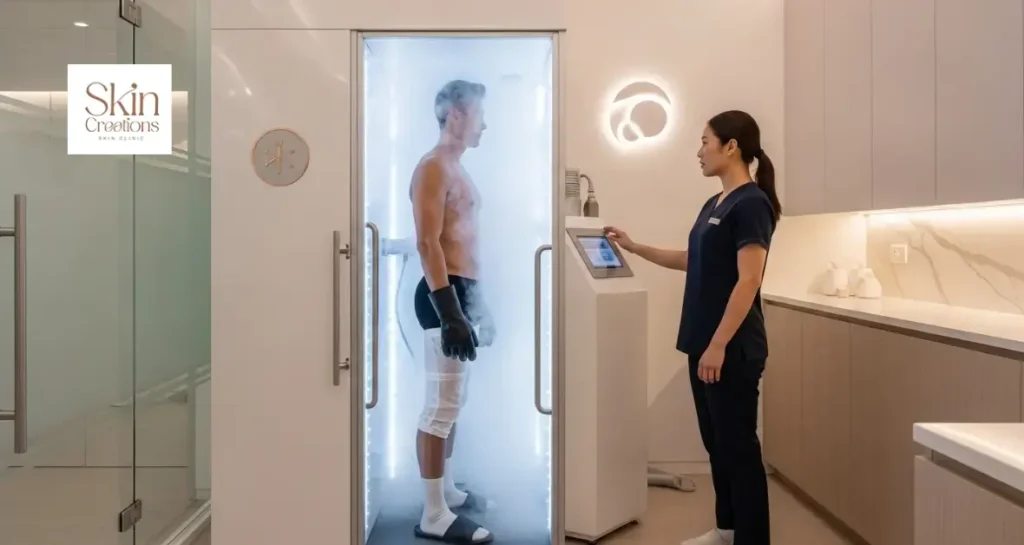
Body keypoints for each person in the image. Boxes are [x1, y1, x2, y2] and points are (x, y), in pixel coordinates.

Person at [605, 110, 781, 545]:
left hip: (731, 349)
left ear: (731, 147)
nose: (699, 152)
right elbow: (693, 259)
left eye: (705, 141)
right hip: (702, 344)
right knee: (716, 445)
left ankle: (751, 539)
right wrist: (635, 247)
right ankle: (726, 531)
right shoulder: (714, 204)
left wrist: (719, 344)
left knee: (738, 449)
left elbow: (749, 280)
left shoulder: (752, 203)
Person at [409, 79, 497, 545]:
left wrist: (480, 308)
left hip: (463, 293)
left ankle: (447, 491)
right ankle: (432, 514)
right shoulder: (432, 167)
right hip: (442, 295)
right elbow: (428, 243)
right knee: (439, 407)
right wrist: (450, 312)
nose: (486, 122)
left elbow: (464, 240)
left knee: (453, 403)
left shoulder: (456, 167)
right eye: (480, 112)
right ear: (456, 114)